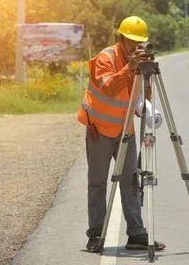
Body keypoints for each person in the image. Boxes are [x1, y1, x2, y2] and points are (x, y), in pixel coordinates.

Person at [77, 16, 166, 252]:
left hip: (125, 130)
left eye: (140, 43)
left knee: (131, 181)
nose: (135, 47)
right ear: (121, 38)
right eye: (131, 42)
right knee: (97, 183)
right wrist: (130, 67)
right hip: (100, 130)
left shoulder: (137, 64)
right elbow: (109, 86)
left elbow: (141, 100)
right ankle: (96, 233)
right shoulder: (106, 58)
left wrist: (145, 75)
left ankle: (136, 233)